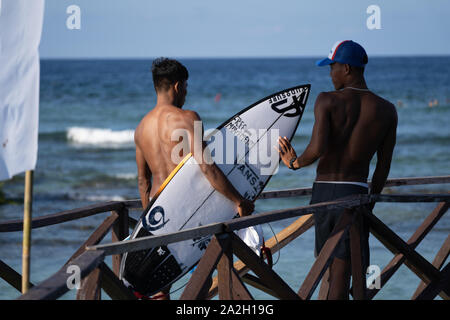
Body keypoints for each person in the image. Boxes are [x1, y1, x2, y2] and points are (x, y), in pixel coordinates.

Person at [277, 40, 397, 299]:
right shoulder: (387, 110)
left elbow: (318, 147)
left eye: (332, 67)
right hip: (357, 192)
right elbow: (383, 166)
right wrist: (370, 200)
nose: (330, 74)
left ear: (347, 68)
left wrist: (294, 162)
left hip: (325, 194)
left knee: (332, 270)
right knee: (345, 269)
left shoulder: (327, 100)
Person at [133, 58, 254, 299]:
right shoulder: (188, 118)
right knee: (204, 272)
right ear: (178, 86)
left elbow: (143, 182)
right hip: (188, 211)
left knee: (161, 282)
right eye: (185, 87)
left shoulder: (141, 128)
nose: (186, 93)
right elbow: (207, 168)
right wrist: (238, 200)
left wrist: (149, 225)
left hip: (158, 213)